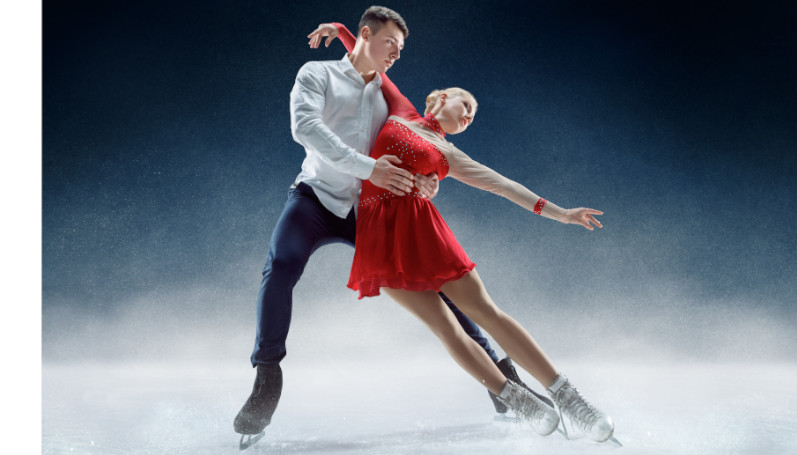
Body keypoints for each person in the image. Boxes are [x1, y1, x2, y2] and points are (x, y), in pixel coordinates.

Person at [233, 6, 547, 441]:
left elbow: (420, 145)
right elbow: (305, 127)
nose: (397, 55)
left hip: (371, 213)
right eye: (391, 46)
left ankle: (504, 380)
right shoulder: (316, 74)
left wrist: (428, 179)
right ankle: (267, 376)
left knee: (440, 288)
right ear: (367, 34)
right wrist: (368, 167)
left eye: (401, 49)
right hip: (315, 198)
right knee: (281, 265)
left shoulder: (387, 96)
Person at [308, 21, 616, 442]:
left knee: (487, 313)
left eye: (474, 115)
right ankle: (516, 399)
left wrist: (560, 213)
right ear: (439, 99)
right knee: (445, 329)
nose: (470, 114)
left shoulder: (449, 154)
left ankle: (570, 399)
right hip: (379, 236)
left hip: (422, 232)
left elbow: (503, 184)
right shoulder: (400, 110)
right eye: (465, 103)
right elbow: (372, 62)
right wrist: (342, 29)